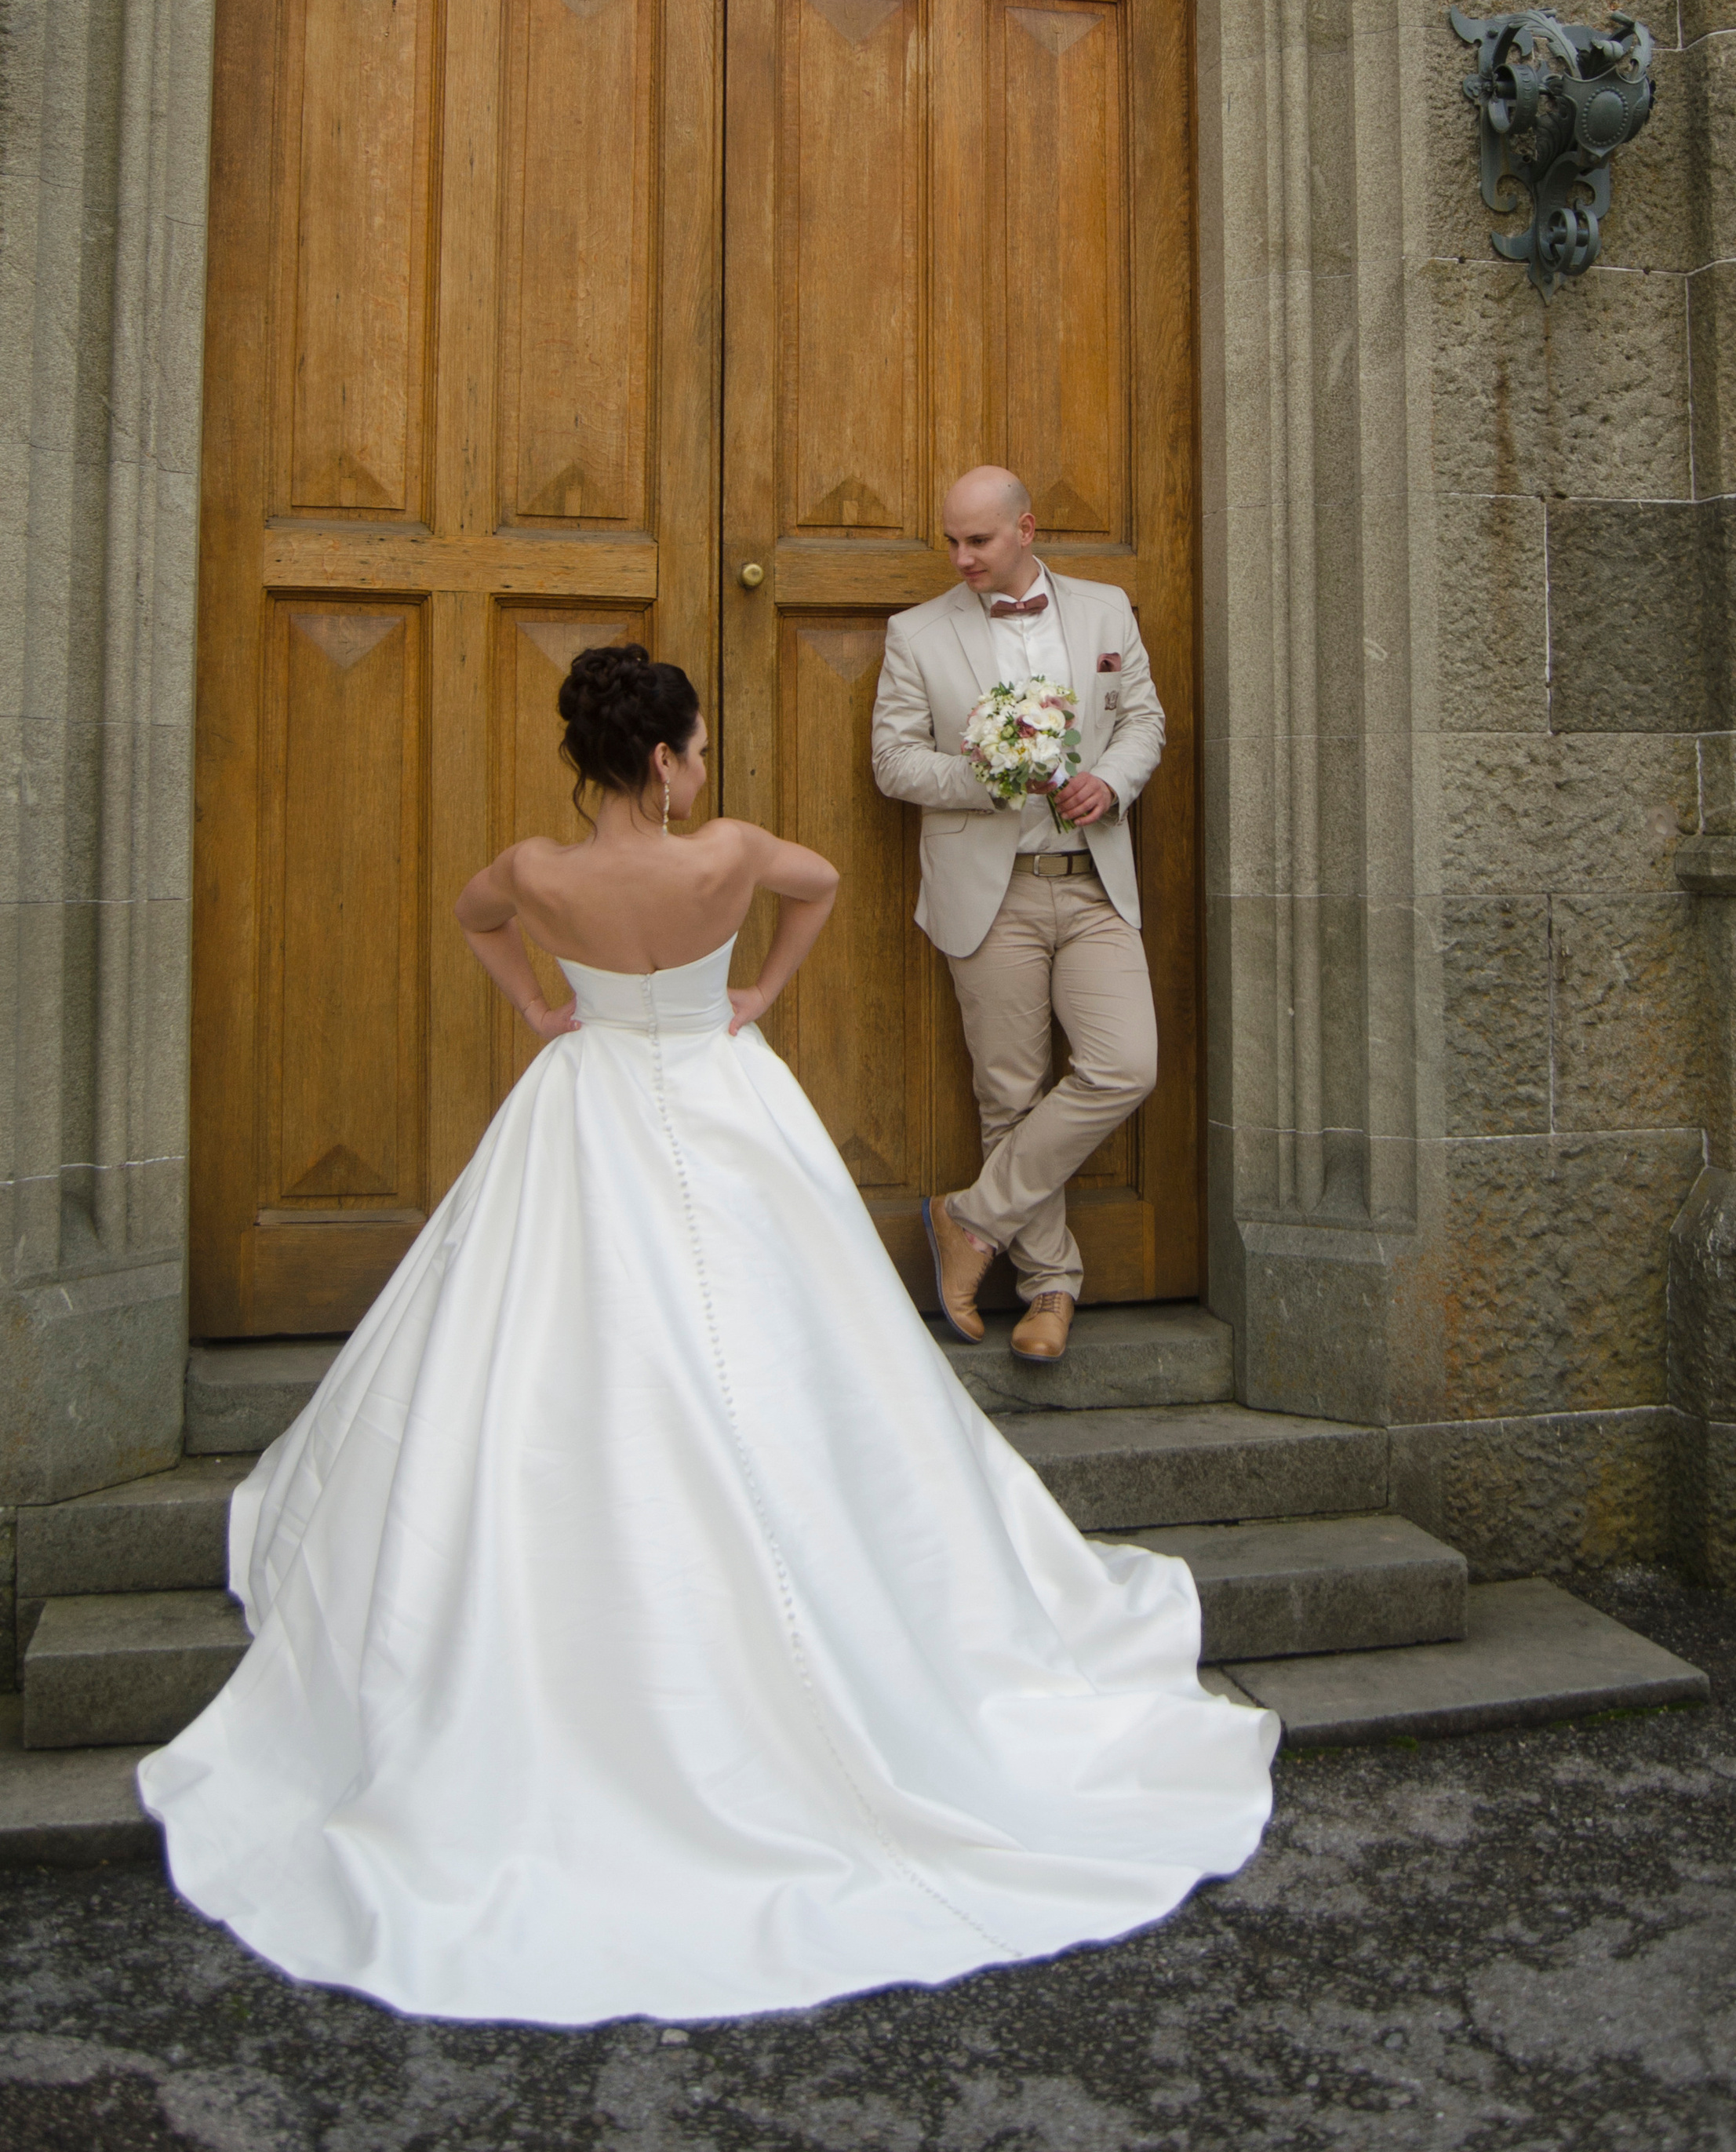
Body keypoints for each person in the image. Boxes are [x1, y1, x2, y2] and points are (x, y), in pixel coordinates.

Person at [138, 644, 1272, 2025]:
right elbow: (825, 887)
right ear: (667, 761)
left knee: (547, 1347)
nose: (707, 763)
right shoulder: (727, 851)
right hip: (722, 1093)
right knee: (794, 1340)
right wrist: (758, 995)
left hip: (592, 1088)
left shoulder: (540, 870)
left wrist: (547, 1011)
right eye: (699, 746)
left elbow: (475, 916)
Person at [872, 468, 1163, 1367]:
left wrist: (1108, 782)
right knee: (1010, 1094)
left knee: (1125, 1065)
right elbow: (893, 762)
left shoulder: (1108, 611)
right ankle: (1049, 1290)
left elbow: (1143, 721)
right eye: (951, 542)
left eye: (979, 542)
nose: (960, 558)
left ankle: (967, 1219)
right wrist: (988, 775)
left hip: (1092, 878)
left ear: (1025, 529)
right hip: (986, 890)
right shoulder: (916, 634)